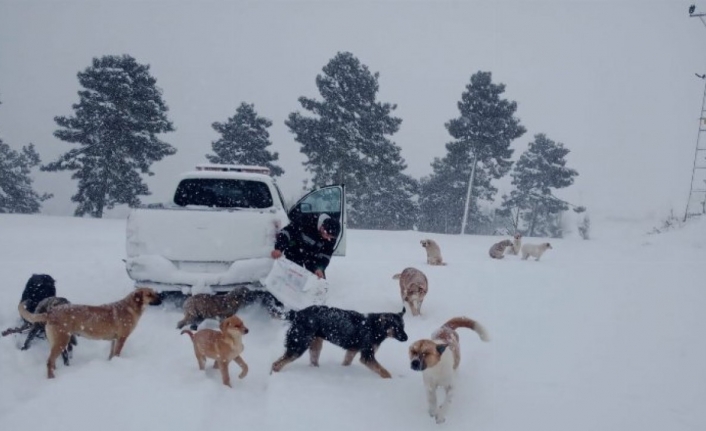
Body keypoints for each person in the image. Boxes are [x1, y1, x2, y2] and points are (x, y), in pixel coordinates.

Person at [270, 214, 341, 279]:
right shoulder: (307, 220)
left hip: (312, 257)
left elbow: (326, 255)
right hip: (295, 250)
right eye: (327, 235)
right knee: (293, 277)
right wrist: (279, 248)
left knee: (318, 281)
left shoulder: (330, 239)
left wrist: (319, 268)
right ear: (322, 227)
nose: (329, 239)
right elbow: (287, 232)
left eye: (331, 237)